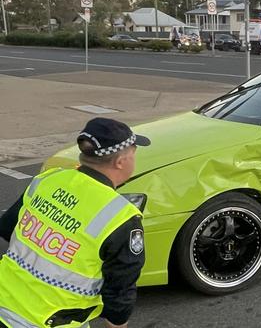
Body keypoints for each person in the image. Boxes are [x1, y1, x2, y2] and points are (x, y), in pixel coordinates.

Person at [0, 118, 151, 328]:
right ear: (120, 162)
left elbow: (7, 227)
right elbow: (119, 294)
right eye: (133, 154)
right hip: (50, 321)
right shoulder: (121, 217)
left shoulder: (48, 179)